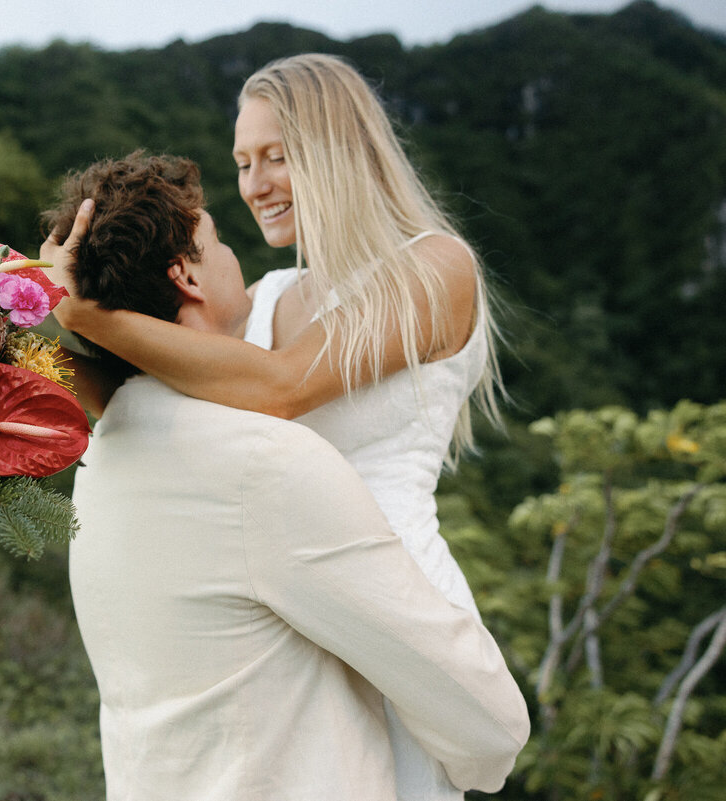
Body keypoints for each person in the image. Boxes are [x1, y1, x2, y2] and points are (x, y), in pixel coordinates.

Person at [43, 55, 498, 798]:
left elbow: (284, 389)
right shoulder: (268, 294)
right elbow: (149, 396)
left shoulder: (434, 267)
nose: (254, 185)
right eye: (243, 162)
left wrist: (87, 315)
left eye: (276, 157)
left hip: (399, 606)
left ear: (336, 149)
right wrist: (9, 338)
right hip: (288, 604)